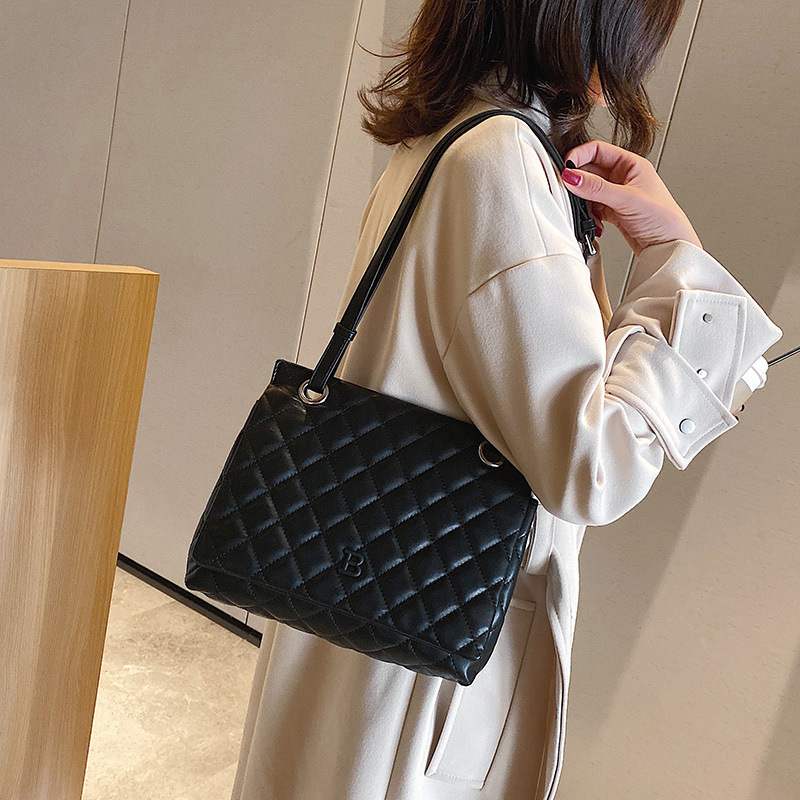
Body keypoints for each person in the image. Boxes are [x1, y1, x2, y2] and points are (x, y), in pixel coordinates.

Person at [230, 2, 783, 798]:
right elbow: (590, 466)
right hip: (427, 648)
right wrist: (676, 259)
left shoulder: (451, 133)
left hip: (375, 593)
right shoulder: (501, 165)